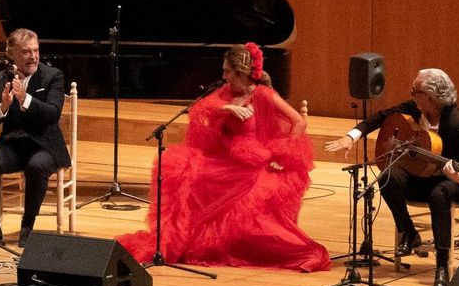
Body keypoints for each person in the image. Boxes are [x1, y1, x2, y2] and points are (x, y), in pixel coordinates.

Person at [119, 43, 327, 271]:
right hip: (228, 160)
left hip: (253, 165)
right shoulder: (227, 93)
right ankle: (179, 240)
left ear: (241, 72)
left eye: (227, 71)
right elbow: (200, 111)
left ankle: (296, 251)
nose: (223, 76)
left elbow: (299, 122)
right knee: (179, 170)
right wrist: (226, 109)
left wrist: (283, 156)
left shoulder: (264, 95)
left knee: (221, 189)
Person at [325, 68, 459, 286]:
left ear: (429, 97)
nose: (411, 94)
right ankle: (409, 232)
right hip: (420, 177)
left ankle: (441, 265)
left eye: (415, 90)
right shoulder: (414, 109)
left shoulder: (457, 122)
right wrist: (351, 136)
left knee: (439, 195)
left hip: (451, 182)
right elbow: (380, 117)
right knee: (388, 175)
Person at [0, 28, 69, 248]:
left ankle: (28, 226)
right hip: (13, 145)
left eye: (36, 50)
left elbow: (53, 114)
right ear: (11, 55)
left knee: (36, 166)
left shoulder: (53, 76)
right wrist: (3, 107)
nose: (33, 56)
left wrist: (26, 99)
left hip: (45, 145)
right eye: (25, 52)